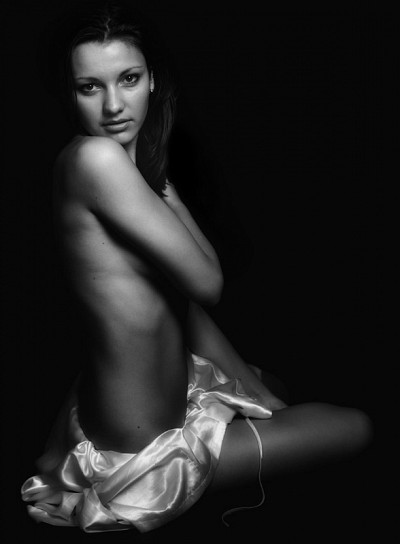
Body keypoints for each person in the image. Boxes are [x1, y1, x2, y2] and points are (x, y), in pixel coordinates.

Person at [21, 0, 373, 533]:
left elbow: (180, 306)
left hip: (134, 407)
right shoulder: (96, 159)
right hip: (144, 454)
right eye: (90, 87)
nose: (113, 105)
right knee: (357, 425)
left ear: (152, 81)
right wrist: (173, 196)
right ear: (71, 95)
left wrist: (263, 400)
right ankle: (114, 492)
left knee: (270, 385)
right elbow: (207, 285)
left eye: (128, 79)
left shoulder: (111, 169)